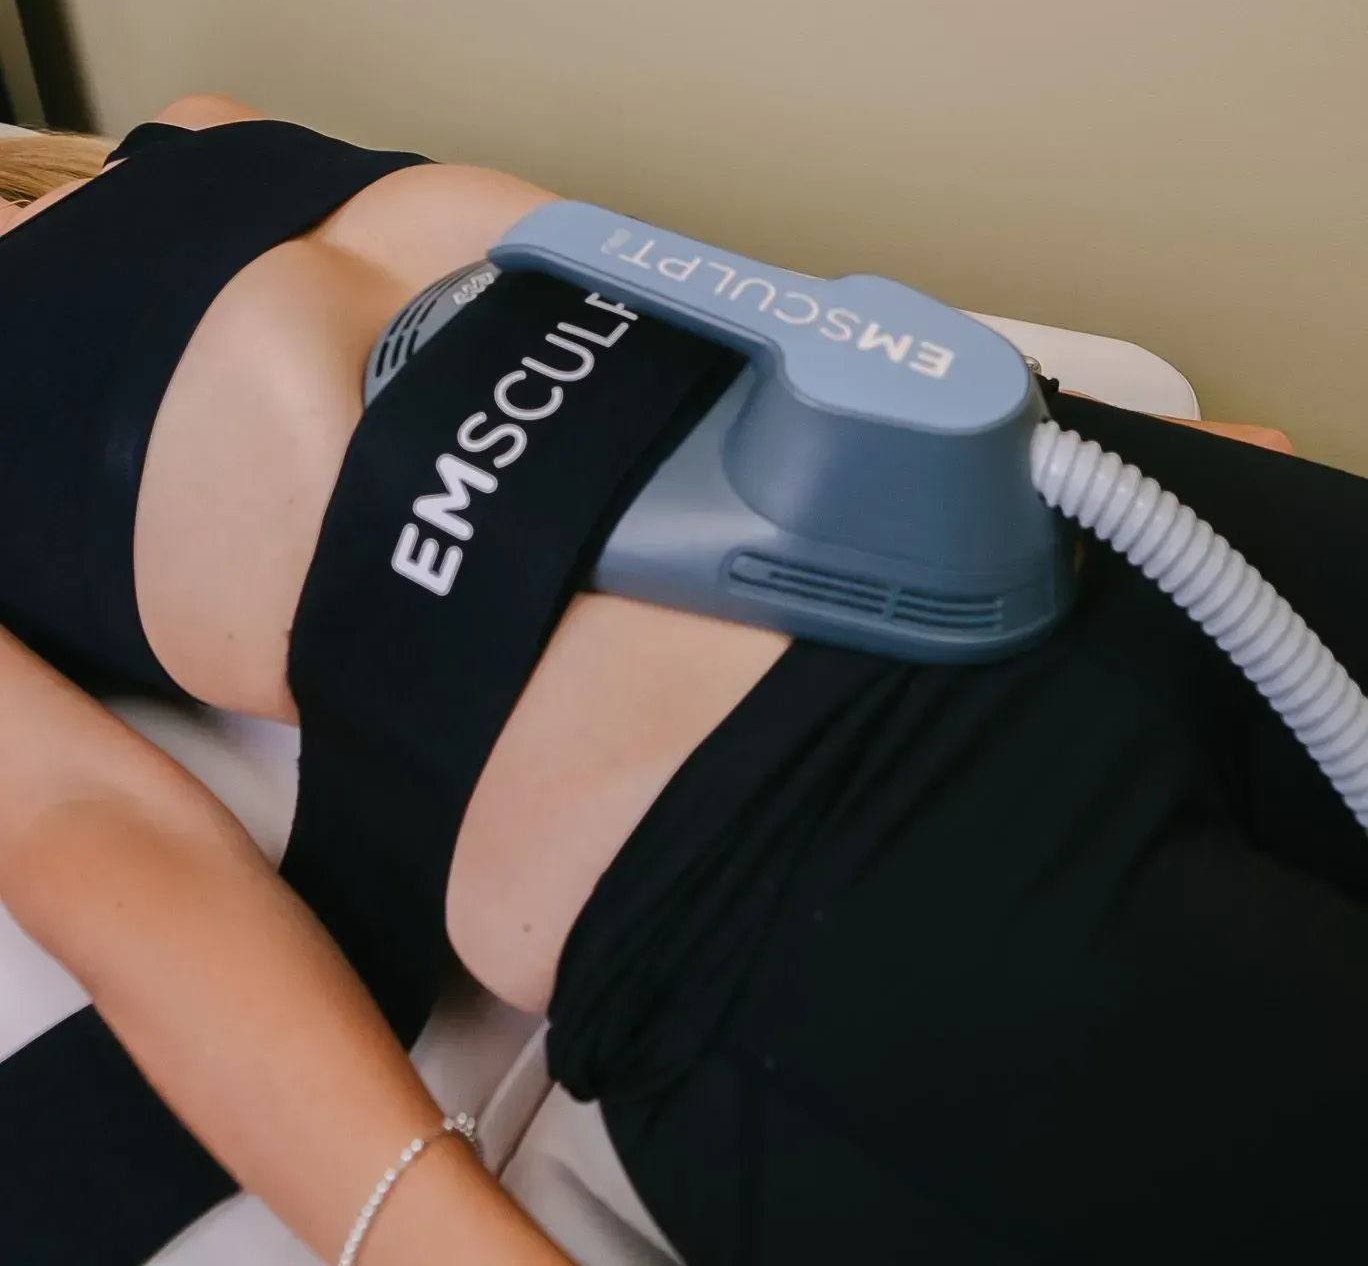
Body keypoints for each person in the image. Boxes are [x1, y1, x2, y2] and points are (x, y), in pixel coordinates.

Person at [0, 97, 1365, 1266]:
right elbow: (102, 838)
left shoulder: (184, 130)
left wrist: (1094, 425)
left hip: (1103, 533)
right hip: (810, 841)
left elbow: (710, 297)